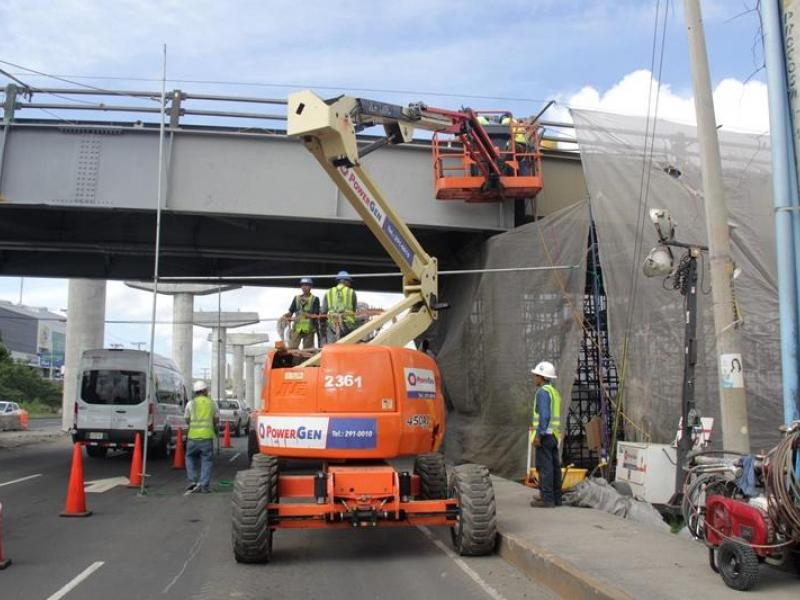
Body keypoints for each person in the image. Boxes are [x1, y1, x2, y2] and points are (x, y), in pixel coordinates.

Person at [530, 361, 562, 508]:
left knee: (545, 467)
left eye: (536, 375)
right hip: (554, 435)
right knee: (554, 467)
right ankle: (556, 498)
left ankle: (547, 499)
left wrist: (539, 435)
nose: (534, 378)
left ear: (541, 377)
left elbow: (544, 416)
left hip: (546, 436)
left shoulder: (543, 392)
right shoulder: (553, 392)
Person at [184, 380, 219, 494]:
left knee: (189, 457)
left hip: (192, 437)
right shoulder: (211, 403)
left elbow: (187, 419)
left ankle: (193, 480)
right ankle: (204, 486)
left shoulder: (190, 403)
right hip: (206, 437)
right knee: (206, 461)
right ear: (205, 391)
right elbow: (216, 419)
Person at [321, 270, 358, 344]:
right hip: (348, 325)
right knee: (347, 348)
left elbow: (323, 312)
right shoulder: (351, 292)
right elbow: (354, 310)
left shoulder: (329, 292)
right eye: (349, 282)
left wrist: (322, 328)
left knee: (332, 349)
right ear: (346, 281)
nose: (350, 284)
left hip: (333, 325)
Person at [283, 277, 320, 349]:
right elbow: (290, 312)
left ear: (311, 286)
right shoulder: (296, 298)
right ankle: (294, 360)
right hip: (297, 328)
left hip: (309, 329)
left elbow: (316, 315)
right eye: (303, 285)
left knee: (307, 350)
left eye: (306, 285)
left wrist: (306, 315)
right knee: (292, 348)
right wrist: (285, 316)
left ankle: (306, 360)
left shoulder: (315, 299)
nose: (304, 287)